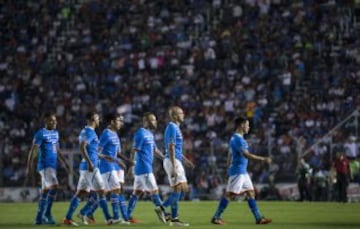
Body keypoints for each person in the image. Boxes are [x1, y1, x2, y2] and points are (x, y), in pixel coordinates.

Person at [211, 116, 272, 225]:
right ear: (242, 125)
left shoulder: (234, 138)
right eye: (247, 125)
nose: (249, 127)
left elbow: (230, 153)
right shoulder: (239, 139)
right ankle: (216, 217)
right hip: (238, 171)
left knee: (250, 193)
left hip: (242, 172)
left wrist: (228, 165)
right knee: (230, 194)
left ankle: (259, 218)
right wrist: (263, 159)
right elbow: (246, 154)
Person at [63, 112, 113, 226]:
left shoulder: (86, 132)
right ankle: (108, 218)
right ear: (92, 119)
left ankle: (68, 218)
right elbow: (82, 146)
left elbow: (92, 151)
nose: (99, 120)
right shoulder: (90, 132)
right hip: (91, 167)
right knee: (102, 192)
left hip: (86, 167)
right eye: (97, 118)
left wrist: (104, 156)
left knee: (81, 193)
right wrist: (90, 162)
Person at [26, 112, 70, 225]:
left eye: (55, 120)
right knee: (54, 186)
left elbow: (57, 149)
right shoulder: (40, 133)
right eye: (51, 120)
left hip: (52, 166)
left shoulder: (56, 133)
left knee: (45, 191)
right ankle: (47, 214)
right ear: (45, 121)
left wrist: (65, 162)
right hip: (45, 165)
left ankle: (39, 218)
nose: (54, 122)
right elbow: (33, 150)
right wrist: (29, 165)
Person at [126, 112, 168, 224]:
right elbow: (134, 150)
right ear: (146, 121)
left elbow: (155, 150)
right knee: (154, 191)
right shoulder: (140, 133)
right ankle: (163, 211)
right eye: (153, 120)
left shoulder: (150, 134)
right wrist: (130, 168)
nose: (156, 122)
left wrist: (165, 158)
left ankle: (127, 215)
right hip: (143, 168)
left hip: (145, 168)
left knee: (137, 193)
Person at [162, 106, 194, 226]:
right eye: (181, 113)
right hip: (172, 160)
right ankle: (162, 208)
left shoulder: (176, 127)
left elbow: (176, 149)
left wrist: (185, 160)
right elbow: (170, 147)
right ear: (175, 116)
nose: (183, 114)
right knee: (182, 188)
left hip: (175, 159)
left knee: (178, 189)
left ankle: (175, 219)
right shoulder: (172, 127)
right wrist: (175, 165)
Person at [98, 113, 130, 224]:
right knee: (114, 189)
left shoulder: (115, 134)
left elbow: (118, 153)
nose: (121, 122)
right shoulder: (106, 134)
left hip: (113, 166)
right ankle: (115, 217)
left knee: (111, 190)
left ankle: (112, 218)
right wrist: (106, 157)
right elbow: (97, 151)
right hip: (106, 166)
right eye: (118, 120)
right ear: (112, 122)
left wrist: (125, 161)